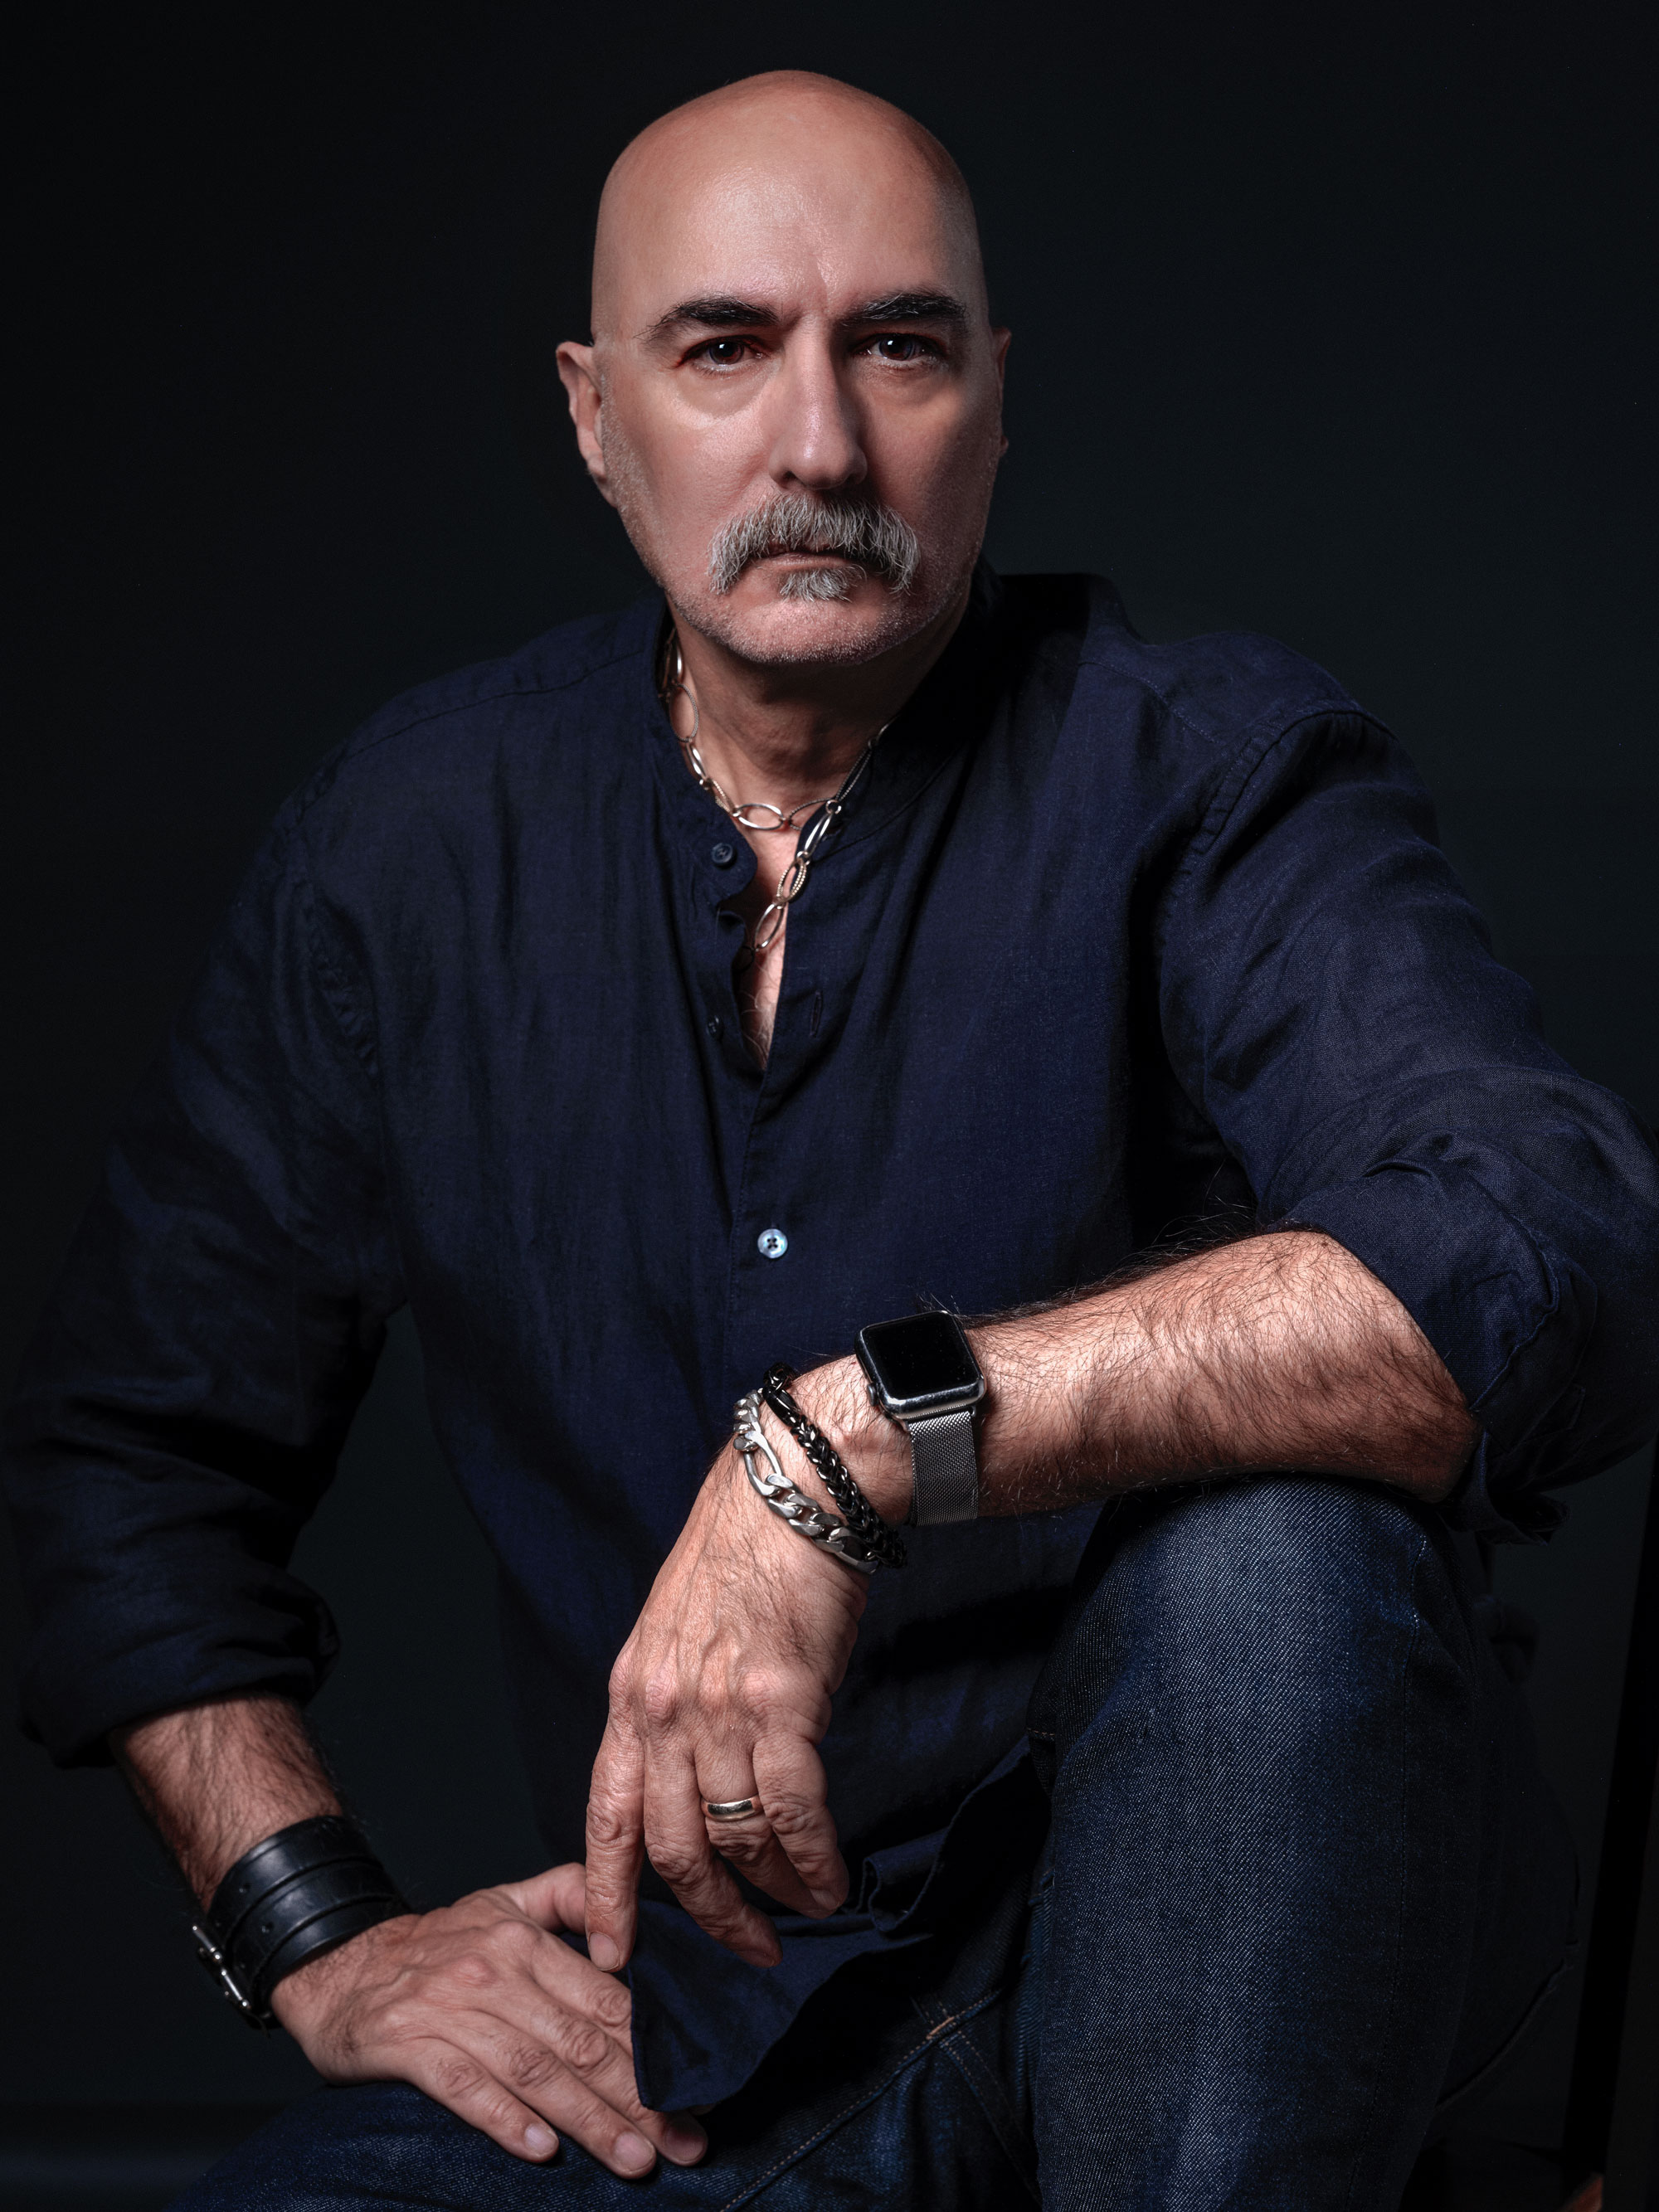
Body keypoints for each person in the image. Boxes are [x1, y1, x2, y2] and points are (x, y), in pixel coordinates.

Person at [6, 66, 1657, 2212]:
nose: (819, 442)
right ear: (598, 417)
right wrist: (309, 1929)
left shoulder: (1209, 766)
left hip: (1245, 1977)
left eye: (897, 344)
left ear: (992, 395)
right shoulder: (411, 846)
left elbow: (1549, 1253)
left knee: (1276, 1547)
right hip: (728, 2039)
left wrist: (870, 1437)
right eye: (724, 348)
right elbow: (127, 1458)